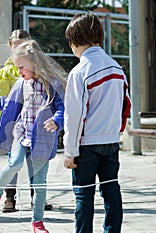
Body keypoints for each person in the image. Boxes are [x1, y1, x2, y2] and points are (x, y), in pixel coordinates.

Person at [0, 39, 67, 233]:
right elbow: (11, 104)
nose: (19, 71)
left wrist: (57, 121)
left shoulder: (53, 84)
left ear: (35, 63)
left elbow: (62, 107)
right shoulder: (22, 83)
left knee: (39, 183)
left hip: (42, 139)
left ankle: (37, 222)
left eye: (21, 66)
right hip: (21, 133)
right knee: (14, 163)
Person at [63, 12, 131, 233]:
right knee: (111, 190)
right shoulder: (117, 68)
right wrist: (116, 132)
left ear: (75, 41)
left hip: (86, 145)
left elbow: (74, 116)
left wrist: (69, 151)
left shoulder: (79, 72)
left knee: (84, 194)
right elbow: (125, 105)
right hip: (111, 141)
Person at [0, 29, 52, 213]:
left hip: (36, 127)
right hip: (15, 127)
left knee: (36, 163)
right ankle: (10, 198)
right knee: (14, 163)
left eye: (23, 45)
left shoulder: (40, 73)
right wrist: (3, 126)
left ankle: (37, 197)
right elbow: (4, 101)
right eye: (16, 45)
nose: (19, 48)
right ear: (10, 47)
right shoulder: (6, 73)